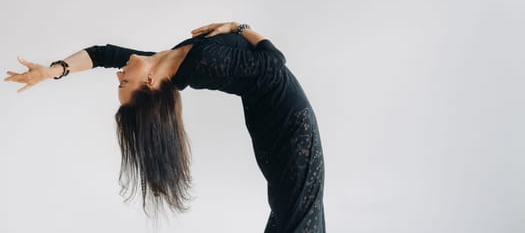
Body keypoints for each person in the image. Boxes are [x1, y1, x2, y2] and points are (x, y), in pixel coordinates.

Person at [4, 22, 325, 232]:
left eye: (120, 79)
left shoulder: (165, 61)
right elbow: (275, 61)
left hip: (279, 127)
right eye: (124, 81)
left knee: (291, 219)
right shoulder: (199, 67)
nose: (119, 74)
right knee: (297, 221)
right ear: (149, 83)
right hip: (291, 130)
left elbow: (102, 55)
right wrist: (240, 27)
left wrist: (52, 71)